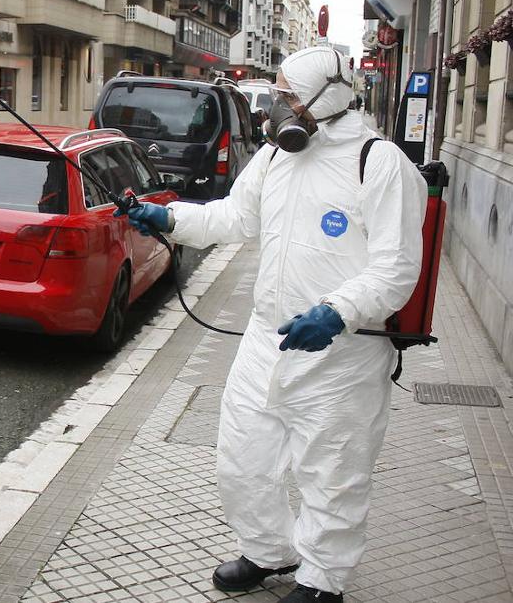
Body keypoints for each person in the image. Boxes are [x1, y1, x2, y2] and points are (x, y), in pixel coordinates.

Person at [118, 47, 427, 603]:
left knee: (332, 471)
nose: (276, 108)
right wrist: (169, 215)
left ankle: (321, 579)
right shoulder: (277, 157)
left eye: (287, 96)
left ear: (328, 95)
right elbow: (234, 216)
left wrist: (338, 312)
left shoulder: (380, 164)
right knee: (242, 459)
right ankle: (268, 551)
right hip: (266, 339)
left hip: (342, 354)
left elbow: (397, 267)